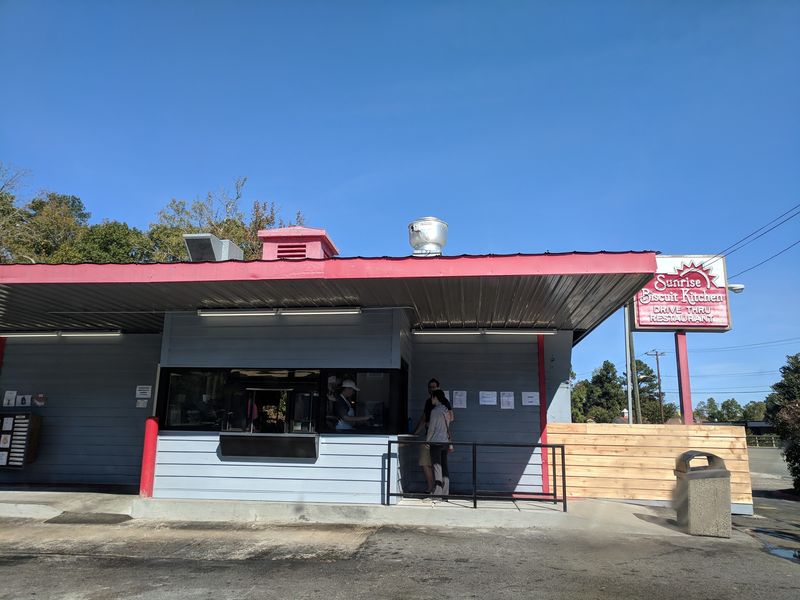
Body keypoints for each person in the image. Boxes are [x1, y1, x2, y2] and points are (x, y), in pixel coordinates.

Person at [413, 378, 440, 493]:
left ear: (438, 388)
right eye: (430, 387)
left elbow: (449, 418)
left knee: (436, 465)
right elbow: (424, 418)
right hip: (428, 436)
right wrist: (415, 433)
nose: (431, 389)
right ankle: (431, 488)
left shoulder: (442, 403)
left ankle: (436, 490)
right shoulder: (428, 402)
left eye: (434, 387)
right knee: (425, 463)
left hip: (438, 437)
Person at [427, 389, 452, 497]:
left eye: (432, 397)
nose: (431, 399)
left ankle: (437, 492)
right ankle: (445, 493)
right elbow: (448, 426)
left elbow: (431, 428)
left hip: (436, 442)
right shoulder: (446, 410)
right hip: (445, 441)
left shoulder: (435, 411)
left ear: (436, 397)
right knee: (444, 467)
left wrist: (427, 441)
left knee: (437, 467)